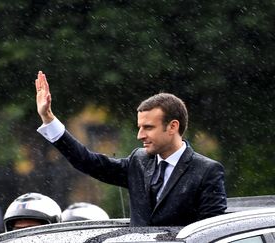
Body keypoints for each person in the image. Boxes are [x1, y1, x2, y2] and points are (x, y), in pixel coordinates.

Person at [35, 71, 227, 226]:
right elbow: (88, 162)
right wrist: (49, 119)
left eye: (148, 127)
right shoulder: (139, 160)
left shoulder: (207, 171)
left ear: (173, 127)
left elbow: (211, 233)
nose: (140, 135)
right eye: (139, 127)